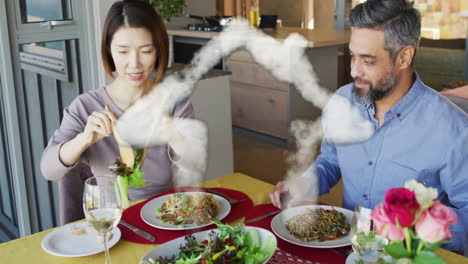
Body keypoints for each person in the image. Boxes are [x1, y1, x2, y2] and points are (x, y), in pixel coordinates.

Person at [270, 0, 468, 251]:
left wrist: (416, 227)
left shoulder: (454, 130)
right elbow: (330, 161)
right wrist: (304, 183)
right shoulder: (341, 101)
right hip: (347, 248)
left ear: (404, 57)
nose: (354, 71)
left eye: (368, 60)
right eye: (353, 55)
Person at [41, 0, 193, 224]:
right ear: (109, 50)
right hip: (110, 224)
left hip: (164, 219)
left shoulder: (175, 102)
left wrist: (173, 133)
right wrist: (83, 140)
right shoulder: (85, 107)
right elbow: (48, 170)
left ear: (159, 50)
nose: (135, 63)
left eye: (146, 51)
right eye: (123, 51)